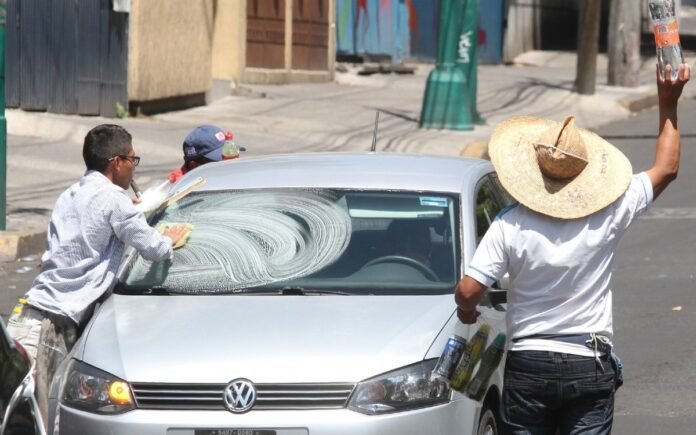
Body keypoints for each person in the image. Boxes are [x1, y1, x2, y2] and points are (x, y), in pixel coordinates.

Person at [454, 64, 689, 435]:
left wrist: (466, 313)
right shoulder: (611, 210)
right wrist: (668, 101)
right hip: (588, 360)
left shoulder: (510, 223)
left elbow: (468, 290)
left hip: (528, 364)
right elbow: (667, 168)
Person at [6, 124, 189, 425]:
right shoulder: (114, 200)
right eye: (133, 159)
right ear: (116, 163)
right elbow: (155, 248)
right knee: (41, 419)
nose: (134, 167)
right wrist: (170, 238)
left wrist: (129, 211)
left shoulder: (70, 194)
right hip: (53, 324)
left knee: (24, 416)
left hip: (30, 314)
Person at [167, 124, 245, 184]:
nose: (230, 163)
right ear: (194, 166)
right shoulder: (183, 192)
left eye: (231, 156)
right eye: (222, 161)